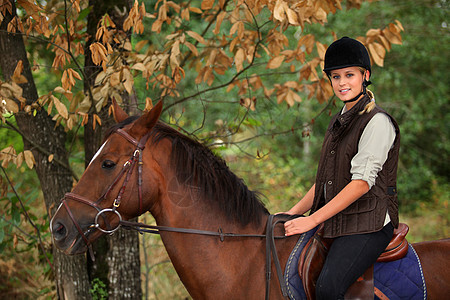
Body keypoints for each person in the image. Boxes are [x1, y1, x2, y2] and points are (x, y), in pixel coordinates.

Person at [281, 37, 401, 299]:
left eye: (349, 75)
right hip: (341, 220)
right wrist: (291, 214)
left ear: (365, 75)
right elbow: (326, 181)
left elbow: (360, 184)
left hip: (370, 223)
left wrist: (312, 219)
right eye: (336, 77)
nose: (342, 83)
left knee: (328, 287)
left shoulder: (377, 121)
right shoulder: (339, 121)